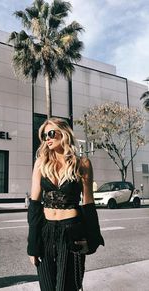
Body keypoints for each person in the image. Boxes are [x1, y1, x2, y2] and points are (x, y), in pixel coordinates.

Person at [27, 117, 104, 291]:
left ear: (64, 134)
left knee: (66, 288)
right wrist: (33, 244)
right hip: (46, 231)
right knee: (47, 287)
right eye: (44, 135)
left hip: (72, 232)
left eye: (51, 133)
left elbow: (88, 203)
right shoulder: (41, 163)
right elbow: (34, 204)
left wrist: (91, 240)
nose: (47, 138)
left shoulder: (82, 164)